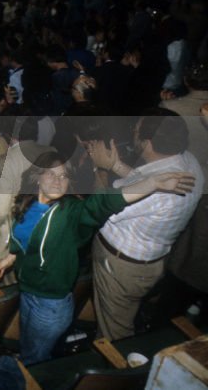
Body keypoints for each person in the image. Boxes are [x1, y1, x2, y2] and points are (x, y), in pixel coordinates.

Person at [0, 151, 196, 364]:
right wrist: (9, 259)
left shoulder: (70, 213)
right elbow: (24, 241)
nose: (58, 181)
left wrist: (151, 184)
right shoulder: (28, 204)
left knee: (36, 358)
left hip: (50, 305)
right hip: (28, 292)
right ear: (37, 177)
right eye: (51, 174)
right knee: (29, 345)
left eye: (64, 176)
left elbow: (101, 204)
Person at [88, 109, 204, 341]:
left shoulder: (156, 191)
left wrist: (99, 168)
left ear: (147, 143)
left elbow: (100, 208)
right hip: (148, 263)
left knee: (116, 333)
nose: (133, 132)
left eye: (137, 130)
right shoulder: (188, 162)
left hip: (121, 267)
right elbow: (145, 182)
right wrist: (116, 165)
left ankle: (119, 373)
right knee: (120, 316)